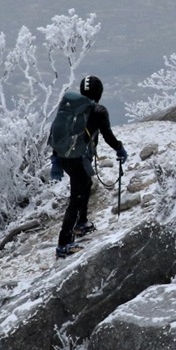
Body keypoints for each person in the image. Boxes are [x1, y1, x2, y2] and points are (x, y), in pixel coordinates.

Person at [50, 76, 128, 258]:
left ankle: (81, 224)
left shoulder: (71, 107)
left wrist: (56, 161)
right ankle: (64, 243)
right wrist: (119, 148)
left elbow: (56, 131)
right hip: (77, 158)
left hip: (64, 157)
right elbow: (107, 135)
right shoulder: (98, 111)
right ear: (99, 92)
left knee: (85, 185)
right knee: (77, 196)